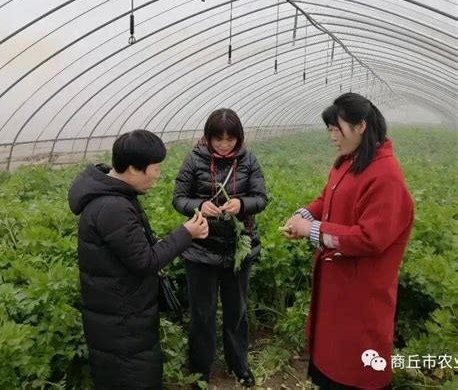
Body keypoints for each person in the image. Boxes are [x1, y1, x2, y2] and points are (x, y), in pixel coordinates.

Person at [283, 93, 414, 389]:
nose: (331, 136)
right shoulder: (348, 162)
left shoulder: (386, 176)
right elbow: (326, 197)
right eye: (329, 129)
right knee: (330, 359)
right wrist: (300, 217)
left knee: (355, 368)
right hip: (337, 287)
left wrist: (311, 230)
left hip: (361, 293)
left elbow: (370, 238)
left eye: (335, 129)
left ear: (361, 127)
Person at [68, 130, 208, 390]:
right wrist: (187, 233)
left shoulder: (113, 197)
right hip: (123, 321)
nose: (158, 174)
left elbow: (135, 251)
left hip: (120, 313)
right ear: (133, 168)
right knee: (133, 378)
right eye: (155, 169)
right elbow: (145, 261)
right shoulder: (113, 207)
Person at [172, 108, 268, 388]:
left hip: (239, 250)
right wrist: (199, 206)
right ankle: (200, 373)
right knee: (202, 314)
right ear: (208, 137)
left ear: (239, 138)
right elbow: (178, 198)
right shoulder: (194, 159)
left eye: (230, 139)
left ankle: (239, 366)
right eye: (218, 139)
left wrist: (243, 204)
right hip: (200, 250)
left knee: (236, 311)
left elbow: (261, 197)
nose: (224, 144)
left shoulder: (248, 160)